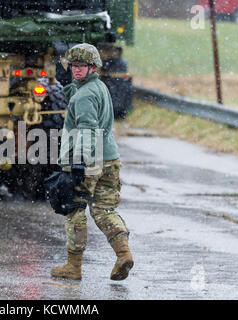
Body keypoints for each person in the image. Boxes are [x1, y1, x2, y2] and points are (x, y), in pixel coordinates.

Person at [50, 43, 134, 281]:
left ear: (93, 67)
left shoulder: (84, 96)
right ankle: (123, 254)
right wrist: (68, 86)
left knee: (74, 209)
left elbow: (87, 129)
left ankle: (73, 266)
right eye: (73, 66)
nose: (76, 70)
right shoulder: (99, 87)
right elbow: (85, 107)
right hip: (109, 158)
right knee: (105, 209)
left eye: (81, 66)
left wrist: (79, 163)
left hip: (88, 160)